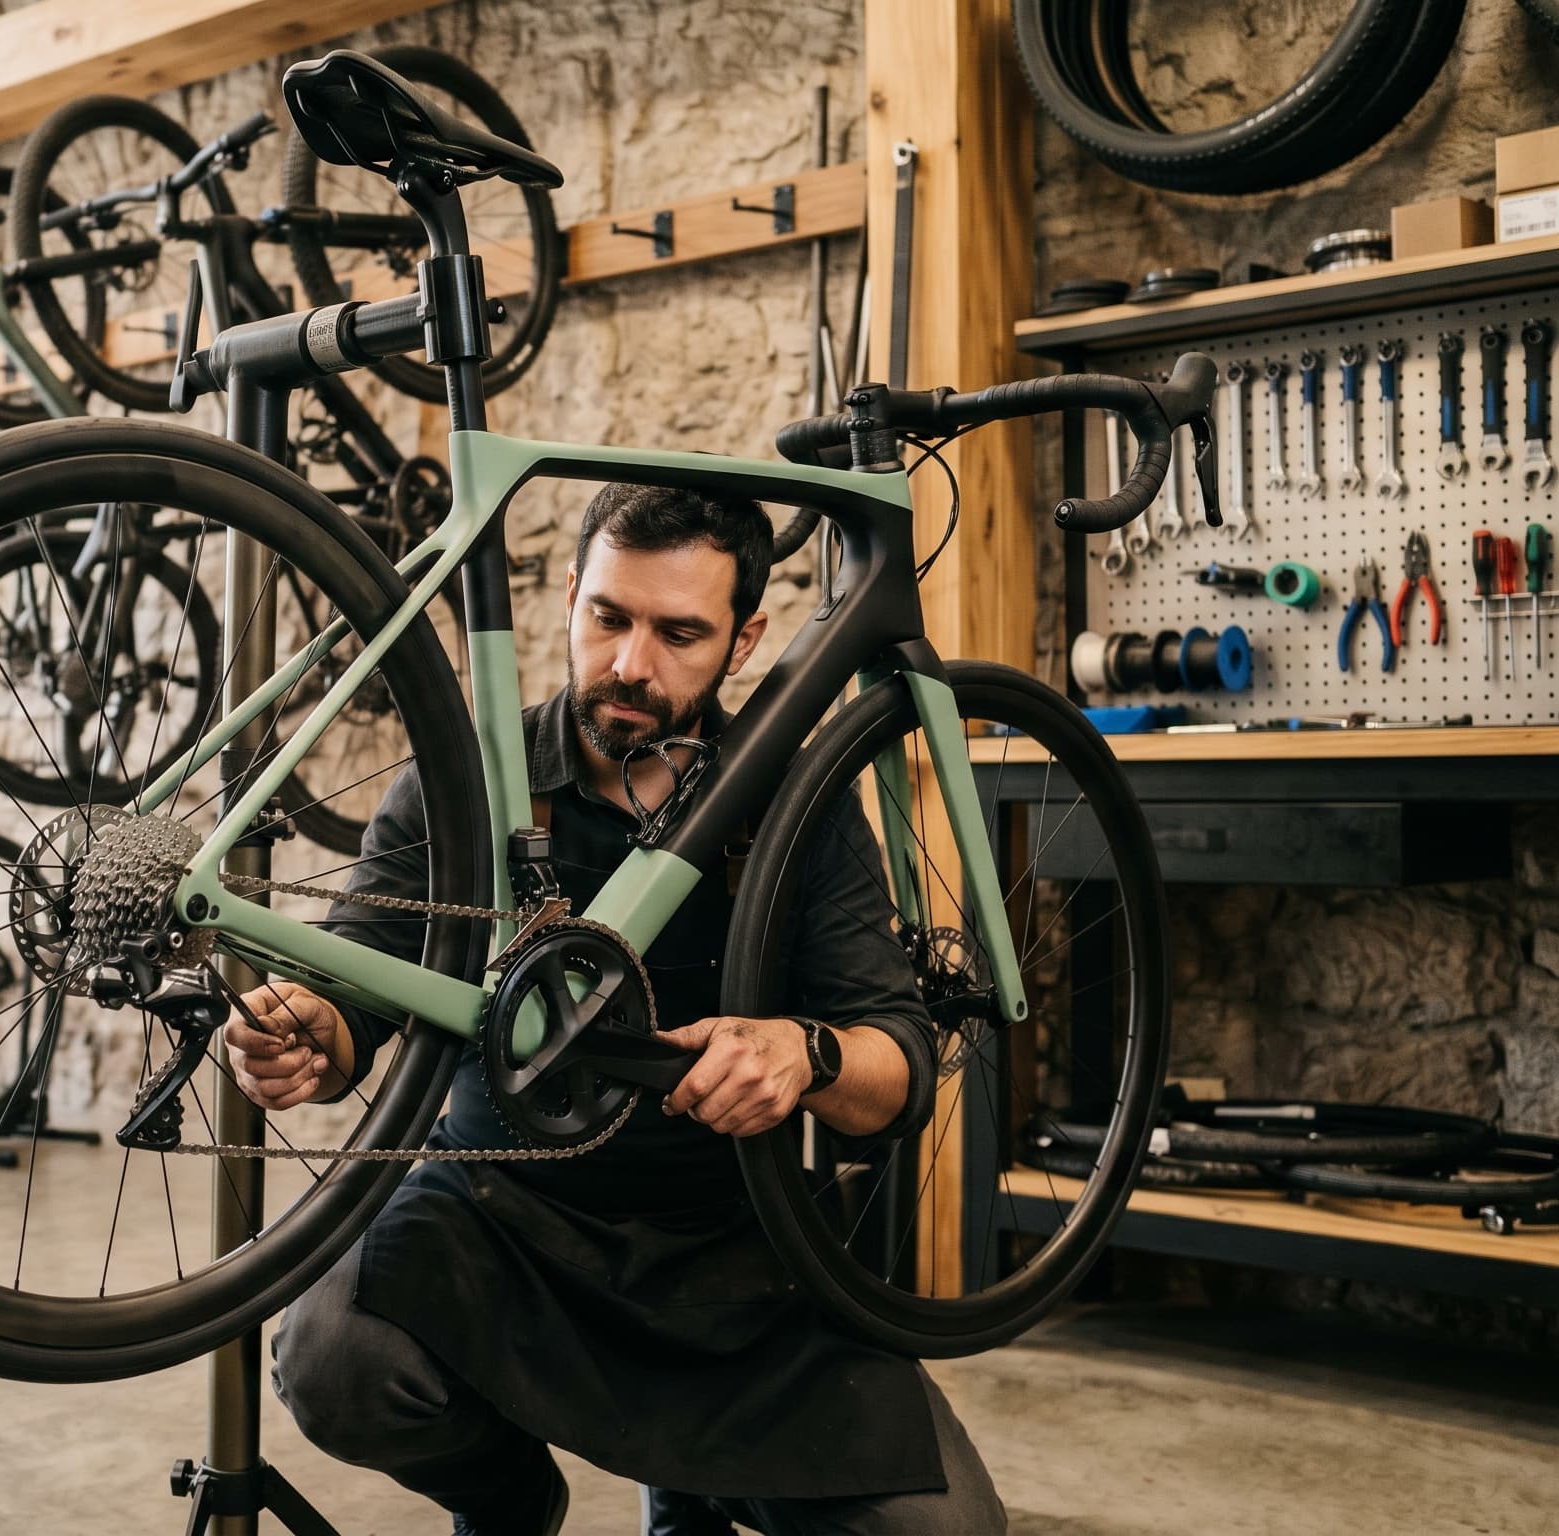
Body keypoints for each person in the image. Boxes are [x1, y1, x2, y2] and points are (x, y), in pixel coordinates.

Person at [225, 484, 1007, 1535]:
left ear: (742, 641)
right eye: (608, 617)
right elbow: (358, 982)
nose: (631, 664)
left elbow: (898, 1068)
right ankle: (510, 1504)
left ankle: (691, 1484)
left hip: (735, 1254)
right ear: (568, 598)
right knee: (334, 1361)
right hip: (497, 1219)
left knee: (941, 1533)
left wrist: (806, 1053)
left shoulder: (798, 804)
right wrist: (312, 1034)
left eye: (679, 633)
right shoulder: (463, 783)